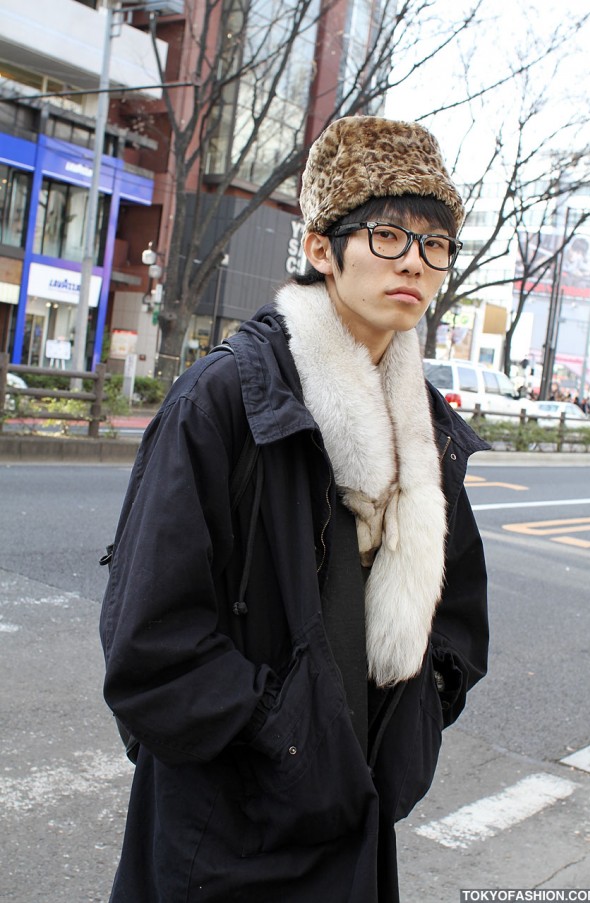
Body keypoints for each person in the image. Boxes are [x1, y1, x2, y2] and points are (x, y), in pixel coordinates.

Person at [100, 115, 489, 903]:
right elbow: (149, 640)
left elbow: (460, 620)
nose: (414, 261)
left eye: (435, 244)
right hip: (222, 837)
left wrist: (401, 732)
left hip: (354, 826)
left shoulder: (427, 432)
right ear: (320, 248)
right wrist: (290, 739)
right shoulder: (229, 398)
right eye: (387, 235)